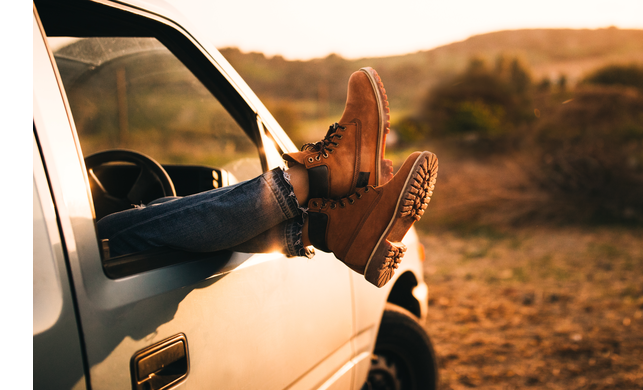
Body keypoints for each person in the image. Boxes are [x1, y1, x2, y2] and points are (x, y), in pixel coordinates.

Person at [96, 67, 438, 287]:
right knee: (123, 231)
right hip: (68, 260)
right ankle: (314, 182)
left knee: (161, 210)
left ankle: (337, 227)